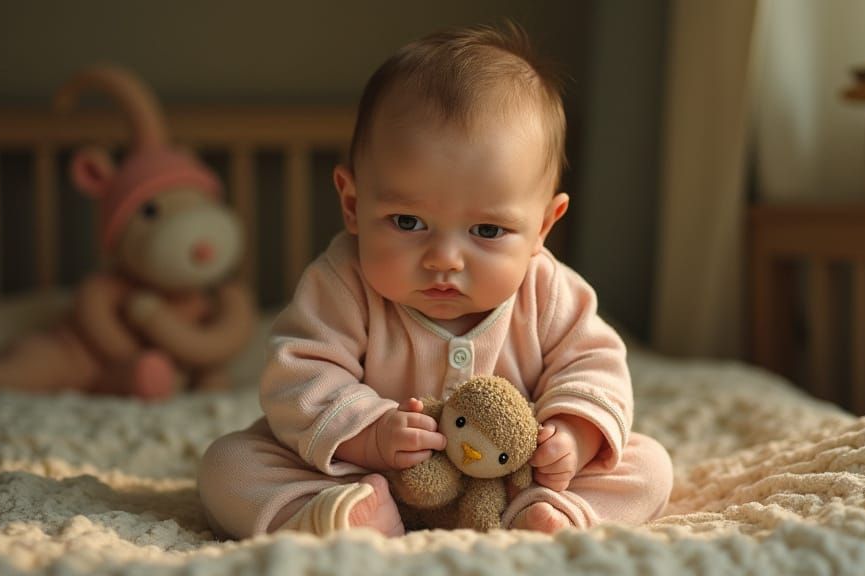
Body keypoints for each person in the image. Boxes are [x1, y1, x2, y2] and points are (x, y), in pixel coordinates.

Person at [198, 22, 673, 538]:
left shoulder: (551, 292)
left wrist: (575, 435)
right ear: (353, 204)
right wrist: (370, 434)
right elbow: (299, 374)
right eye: (408, 222)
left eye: (487, 230)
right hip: (366, 473)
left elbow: (595, 367)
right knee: (230, 464)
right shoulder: (341, 282)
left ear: (543, 226)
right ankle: (342, 516)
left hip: (510, 481)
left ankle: (546, 516)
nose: (444, 259)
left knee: (648, 466)